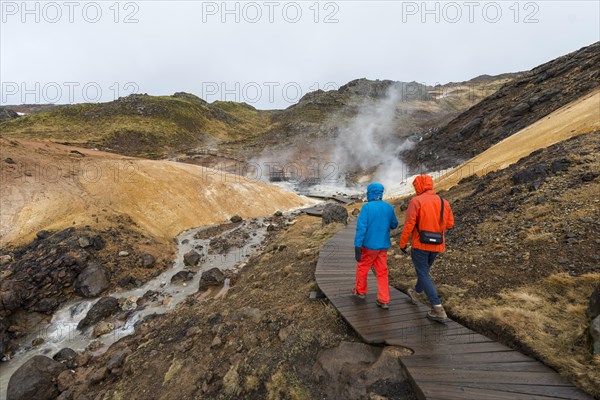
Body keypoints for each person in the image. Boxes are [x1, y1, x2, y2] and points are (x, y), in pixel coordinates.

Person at [399, 174, 454, 323]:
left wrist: (402, 244)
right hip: (437, 244)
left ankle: (438, 309)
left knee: (423, 273)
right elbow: (449, 224)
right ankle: (416, 293)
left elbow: (409, 225)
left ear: (419, 186)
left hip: (420, 244)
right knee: (424, 272)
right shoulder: (444, 202)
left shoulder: (416, 201)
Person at [354, 182, 399, 309]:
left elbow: (361, 229)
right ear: (380, 193)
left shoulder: (367, 207)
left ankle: (360, 292)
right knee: (382, 272)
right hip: (383, 246)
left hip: (368, 246)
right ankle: (384, 300)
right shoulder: (389, 207)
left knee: (363, 268)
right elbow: (394, 224)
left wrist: (357, 246)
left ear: (370, 193)